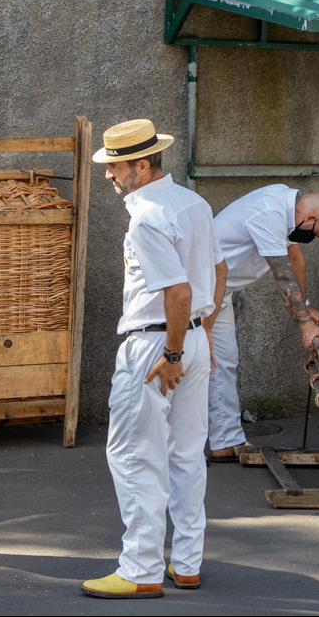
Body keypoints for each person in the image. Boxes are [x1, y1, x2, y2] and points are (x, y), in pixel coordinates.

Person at [81, 119, 226, 599]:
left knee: (134, 454)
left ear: (142, 166)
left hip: (157, 345)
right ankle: (186, 563)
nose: (109, 175)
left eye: (115, 167)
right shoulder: (193, 202)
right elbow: (218, 269)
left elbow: (177, 291)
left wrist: (172, 353)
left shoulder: (146, 216)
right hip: (191, 337)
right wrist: (201, 335)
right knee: (187, 454)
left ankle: (141, 569)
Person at [206, 186, 319, 462]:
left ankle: (226, 442)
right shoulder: (269, 213)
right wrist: (306, 326)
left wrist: (305, 305)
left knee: (223, 362)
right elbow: (282, 275)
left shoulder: (288, 206)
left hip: (219, 291)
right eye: (316, 234)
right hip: (199, 288)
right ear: (310, 218)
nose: (312, 239)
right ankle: (167, 446)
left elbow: (296, 259)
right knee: (188, 362)